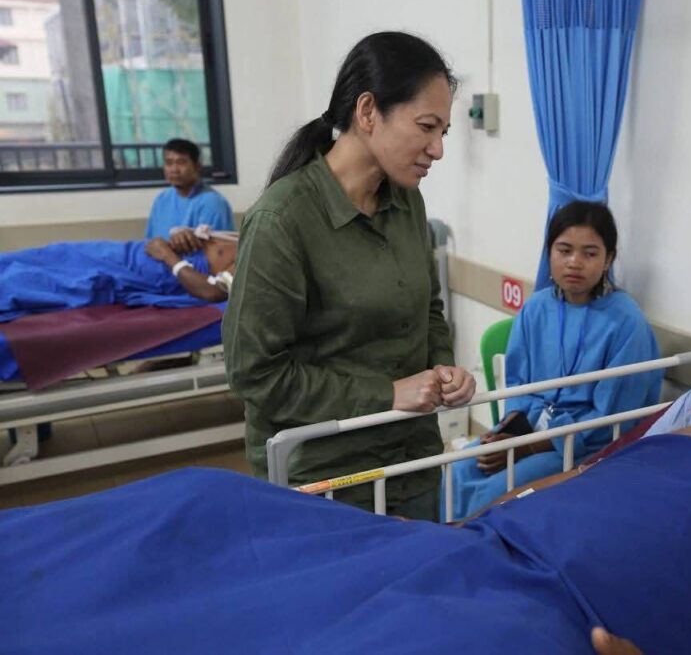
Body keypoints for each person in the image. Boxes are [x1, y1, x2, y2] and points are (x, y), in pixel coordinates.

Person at [0, 336, 691, 654]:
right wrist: (460, 532)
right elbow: (576, 482)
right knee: (204, 506)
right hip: (462, 553)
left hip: (558, 618)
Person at [223, 31, 475, 521]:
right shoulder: (283, 221)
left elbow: (428, 309)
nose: (438, 149)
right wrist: (388, 395)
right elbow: (256, 373)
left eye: (444, 132)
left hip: (414, 461)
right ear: (367, 111)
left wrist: (444, 371)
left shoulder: (407, 202)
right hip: (327, 478)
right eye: (427, 127)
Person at [446, 200, 662, 519]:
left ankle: (476, 548)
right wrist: (508, 431)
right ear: (549, 254)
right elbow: (518, 384)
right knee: (458, 470)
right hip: (530, 429)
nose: (575, 262)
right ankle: (447, 542)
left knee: (494, 493)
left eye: (589, 253)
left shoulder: (626, 323)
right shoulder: (537, 308)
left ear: (608, 259)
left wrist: (529, 447)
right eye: (564, 250)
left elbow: (611, 419)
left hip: (585, 444)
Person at [0, 235, 237, 322]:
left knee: (55, 280)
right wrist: (183, 234)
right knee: (57, 254)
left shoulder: (252, 253)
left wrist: (168, 256)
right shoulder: (240, 233)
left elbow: (212, 292)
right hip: (131, 251)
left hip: (146, 274)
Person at [145, 138, 235, 252]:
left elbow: (215, 254)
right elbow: (150, 243)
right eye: (169, 163)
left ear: (197, 166)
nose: (174, 170)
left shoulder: (212, 202)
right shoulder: (162, 199)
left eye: (181, 163)